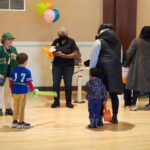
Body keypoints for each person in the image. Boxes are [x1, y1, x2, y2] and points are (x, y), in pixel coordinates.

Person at [90, 23, 123, 124]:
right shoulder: (119, 43)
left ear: (100, 30)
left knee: (100, 95)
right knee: (113, 95)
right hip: (115, 72)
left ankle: (99, 119)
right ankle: (115, 117)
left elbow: (93, 60)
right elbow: (120, 59)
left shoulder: (98, 42)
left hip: (101, 72)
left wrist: (91, 74)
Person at [51, 27, 78, 108]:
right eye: (60, 34)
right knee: (55, 84)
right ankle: (56, 102)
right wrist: (55, 54)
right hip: (56, 65)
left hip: (68, 66)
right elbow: (51, 52)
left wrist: (65, 56)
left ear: (66, 34)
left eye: (62, 34)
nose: (61, 35)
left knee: (68, 84)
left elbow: (75, 53)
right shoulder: (55, 41)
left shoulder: (71, 41)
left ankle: (68, 102)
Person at [124, 26, 150, 110]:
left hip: (139, 67)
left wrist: (126, 62)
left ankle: (133, 105)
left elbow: (129, 53)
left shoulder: (136, 41)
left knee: (136, 86)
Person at [10, 53, 34, 129]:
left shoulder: (13, 71)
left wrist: (12, 91)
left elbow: (10, 83)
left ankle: (14, 122)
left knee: (15, 106)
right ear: (25, 61)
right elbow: (29, 83)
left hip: (15, 91)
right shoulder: (27, 71)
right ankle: (21, 122)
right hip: (22, 92)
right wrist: (33, 90)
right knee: (22, 107)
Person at [0, 32, 18, 116]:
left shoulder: (14, 49)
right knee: (0, 92)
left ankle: (8, 108)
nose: (11, 41)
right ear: (4, 40)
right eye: (9, 39)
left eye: (11, 39)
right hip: (1, 74)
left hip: (11, 75)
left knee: (8, 92)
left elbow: (17, 61)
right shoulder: (0, 50)